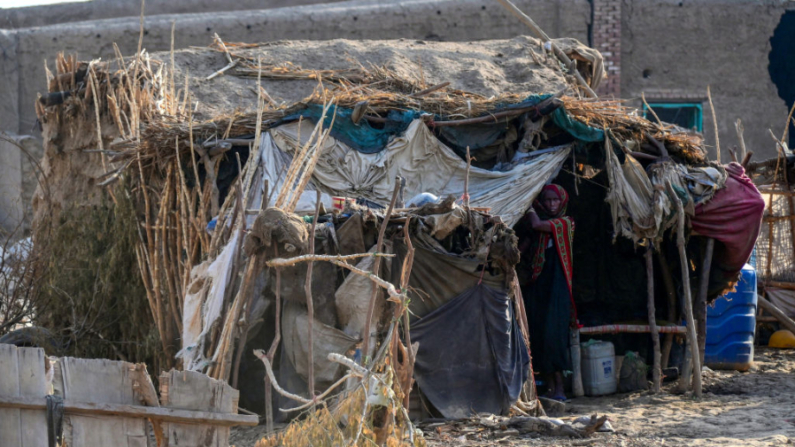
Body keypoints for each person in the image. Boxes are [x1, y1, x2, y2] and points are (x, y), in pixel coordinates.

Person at [517, 184, 577, 401]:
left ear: (562, 202)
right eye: (548, 200)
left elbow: (537, 224)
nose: (552, 204)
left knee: (555, 335)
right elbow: (521, 249)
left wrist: (530, 205)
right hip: (539, 284)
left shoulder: (565, 223)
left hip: (557, 286)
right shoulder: (535, 231)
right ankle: (549, 387)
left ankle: (560, 387)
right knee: (539, 333)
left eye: (555, 200)